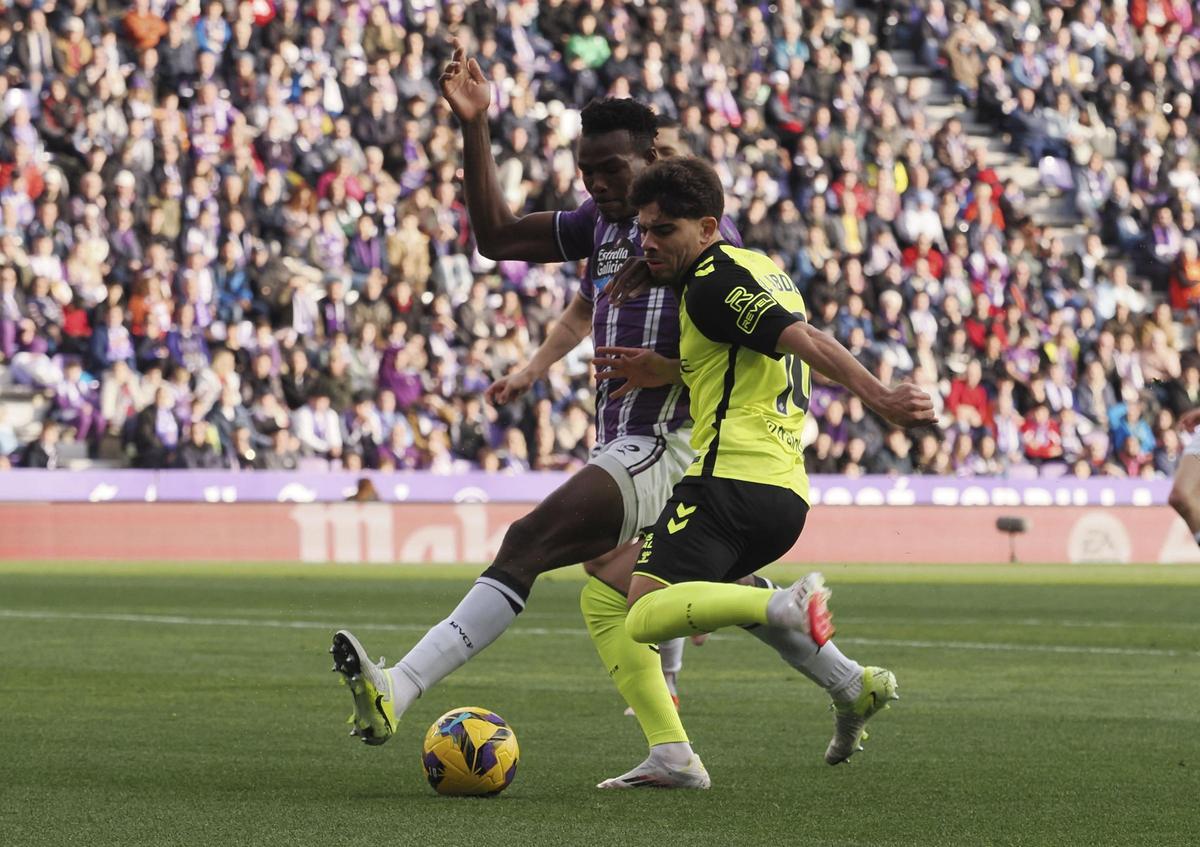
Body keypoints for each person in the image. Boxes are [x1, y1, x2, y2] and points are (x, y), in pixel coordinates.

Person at [331, 43, 744, 789]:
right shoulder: (600, 226)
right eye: (586, 171)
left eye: (610, 170)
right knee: (615, 573)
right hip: (625, 439)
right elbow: (493, 238)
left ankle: (398, 689)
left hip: (667, 441)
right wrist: (476, 126)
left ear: (651, 155)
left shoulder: (702, 242)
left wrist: (670, 370)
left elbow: (755, 352)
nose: (597, 184)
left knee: (527, 542)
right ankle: (799, 659)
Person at [597, 157, 933, 767]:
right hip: (783, 496)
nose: (647, 242)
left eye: (663, 230)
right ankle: (849, 684)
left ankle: (781, 609)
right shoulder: (763, 270)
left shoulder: (713, 281)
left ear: (707, 228)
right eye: (643, 228)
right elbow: (751, 360)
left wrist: (881, 398)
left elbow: (808, 342)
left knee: (642, 611)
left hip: (727, 483)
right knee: (653, 582)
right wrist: (668, 369)